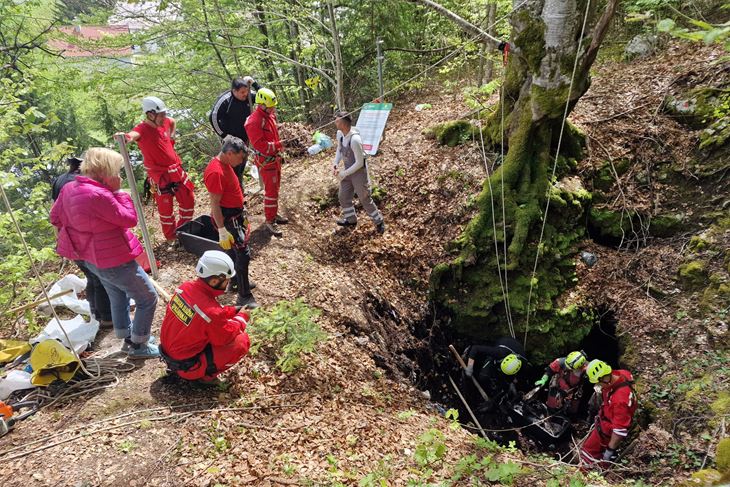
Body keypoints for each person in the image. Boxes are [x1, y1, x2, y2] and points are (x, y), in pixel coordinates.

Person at [50, 148, 159, 358]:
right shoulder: (99, 194)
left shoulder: (69, 189)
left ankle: (129, 338)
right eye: (116, 171)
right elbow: (129, 219)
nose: (118, 175)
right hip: (114, 257)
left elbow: (55, 217)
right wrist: (118, 192)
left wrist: (81, 227)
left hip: (88, 257)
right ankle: (140, 345)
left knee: (117, 294)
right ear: (105, 171)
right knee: (148, 298)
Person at [159, 250, 251, 382]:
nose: (228, 284)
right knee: (241, 342)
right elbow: (224, 338)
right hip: (187, 366)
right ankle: (205, 378)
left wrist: (232, 310)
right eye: (227, 281)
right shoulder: (210, 312)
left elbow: (206, 313)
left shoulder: (185, 288)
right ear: (214, 281)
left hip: (171, 353)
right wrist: (242, 318)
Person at [120, 96, 195, 242]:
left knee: (188, 200)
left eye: (164, 114)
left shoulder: (165, 122)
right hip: (160, 176)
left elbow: (172, 122)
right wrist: (125, 137)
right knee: (166, 210)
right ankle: (171, 238)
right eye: (161, 115)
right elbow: (132, 136)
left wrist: (171, 138)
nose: (164, 118)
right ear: (150, 115)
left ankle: (183, 230)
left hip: (176, 171)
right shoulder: (142, 129)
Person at [50, 155, 113, 329]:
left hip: (69, 238)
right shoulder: (78, 182)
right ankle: (107, 317)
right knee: (100, 278)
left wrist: (60, 237)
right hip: (84, 238)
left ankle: (96, 314)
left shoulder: (58, 181)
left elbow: (54, 214)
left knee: (91, 277)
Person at [203, 136, 258, 308]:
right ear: (229, 153)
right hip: (228, 218)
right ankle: (244, 296)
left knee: (235, 253)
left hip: (235, 214)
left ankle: (236, 282)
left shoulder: (226, 164)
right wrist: (221, 230)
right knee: (243, 254)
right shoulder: (216, 172)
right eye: (240, 157)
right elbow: (215, 203)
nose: (241, 161)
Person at [245, 87, 288, 237]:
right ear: (261, 105)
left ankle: (273, 214)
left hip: (274, 159)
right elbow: (260, 145)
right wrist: (279, 144)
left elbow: (273, 133)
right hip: (266, 161)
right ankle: (270, 220)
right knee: (270, 192)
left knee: (275, 190)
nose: (273, 109)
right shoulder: (254, 122)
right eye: (271, 107)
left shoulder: (269, 116)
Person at [332, 111, 385, 234]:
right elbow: (339, 149)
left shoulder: (355, 140)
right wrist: (335, 163)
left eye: (337, 120)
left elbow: (359, 163)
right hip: (347, 172)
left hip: (359, 173)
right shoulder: (340, 134)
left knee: (364, 198)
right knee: (343, 196)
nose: (335, 122)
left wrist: (343, 173)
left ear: (344, 123)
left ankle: (379, 221)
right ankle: (351, 219)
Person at [580, 360, 637, 468]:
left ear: (604, 378)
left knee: (587, 453)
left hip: (607, 430)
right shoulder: (623, 374)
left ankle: (586, 476)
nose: (598, 385)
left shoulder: (619, 400)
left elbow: (619, 431)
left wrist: (609, 451)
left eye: (598, 382)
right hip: (607, 415)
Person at [209, 76, 261, 187]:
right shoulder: (225, 100)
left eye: (247, 91)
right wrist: (224, 135)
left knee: (241, 165)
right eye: (242, 92)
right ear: (234, 91)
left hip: (244, 138)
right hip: (231, 141)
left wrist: (255, 84)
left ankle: (239, 191)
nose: (245, 94)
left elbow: (264, 97)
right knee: (232, 168)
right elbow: (213, 117)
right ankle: (234, 194)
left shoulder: (248, 96)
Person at [463, 336, 526, 404]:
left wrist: (512, 383)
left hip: (515, 352)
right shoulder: (498, 352)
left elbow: (518, 377)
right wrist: (470, 367)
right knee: (483, 377)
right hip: (504, 343)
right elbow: (475, 348)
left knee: (504, 383)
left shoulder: (523, 364)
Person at [534, 350, 588, 415]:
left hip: (573, 391)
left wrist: (569, 393)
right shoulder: (561, 361)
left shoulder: (586, 370)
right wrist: (543, 379)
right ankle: (548, 414)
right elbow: (549, 370)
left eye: (570, 368)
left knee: (571, 410)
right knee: (551, 406)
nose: (568, 369)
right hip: (558, 386)